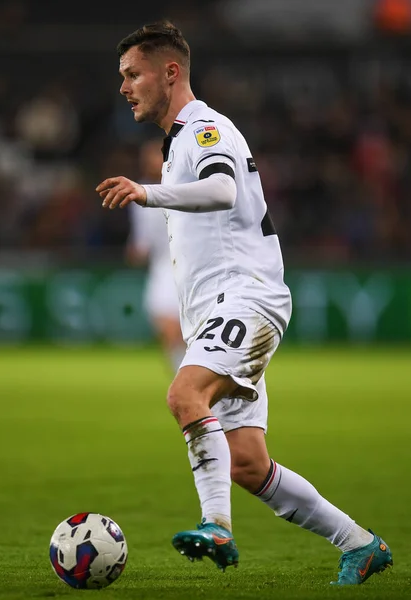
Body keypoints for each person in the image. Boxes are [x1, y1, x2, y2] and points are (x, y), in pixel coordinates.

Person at [96, 20, 393, 585]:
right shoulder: (179, 139)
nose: (124, 86)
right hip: (219, 308)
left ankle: (216, 527)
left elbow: (222, 190)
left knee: (185, 394)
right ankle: (360, 543)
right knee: (250, 464)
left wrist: (146, 191)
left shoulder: (204, 126)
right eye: (122, 76)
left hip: (246, 297)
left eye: (133, 74)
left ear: (170, 72)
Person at [125, 137, 185, 372]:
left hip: (189, 264)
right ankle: (183, 377)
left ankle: (189, 379)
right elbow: (141, 242)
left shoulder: (185, 189)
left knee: (180, 326)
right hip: (162, 267)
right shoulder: (138, 193)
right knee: (165, 324)